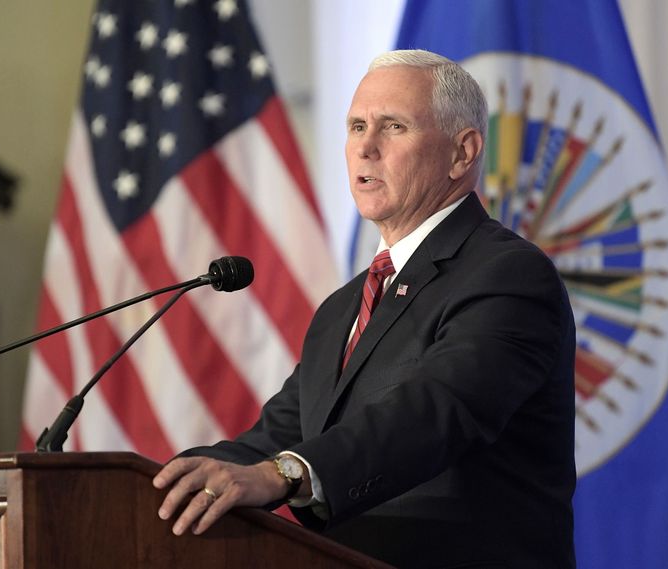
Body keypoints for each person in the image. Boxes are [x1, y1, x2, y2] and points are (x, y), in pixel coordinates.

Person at [154, 49, 576, 569]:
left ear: (462, 153)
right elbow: (278, 436)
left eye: (393, 126)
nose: (365, 148)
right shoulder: (342, 308)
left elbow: (435, 410)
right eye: (357, 126)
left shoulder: (507, 275)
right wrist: (161, 489)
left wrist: (285, 474)